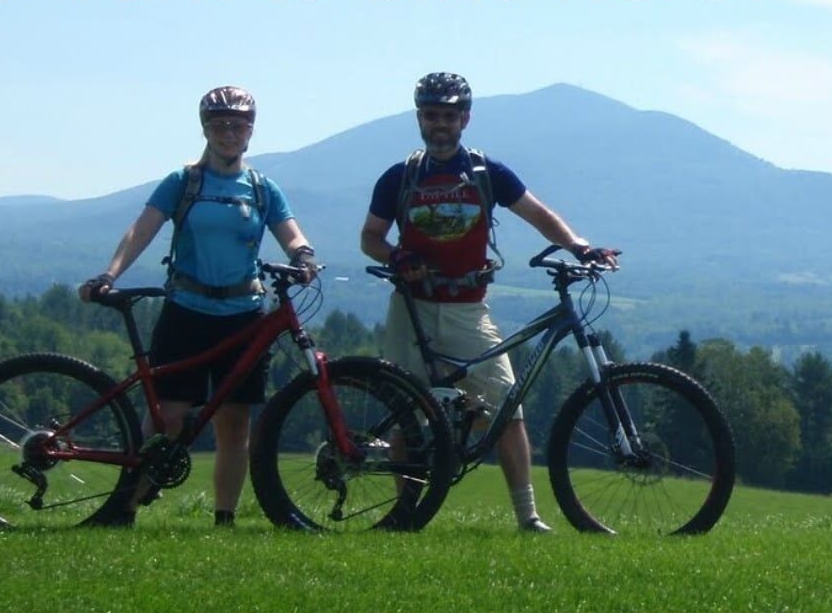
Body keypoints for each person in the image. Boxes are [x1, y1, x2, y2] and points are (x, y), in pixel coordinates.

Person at [360, 72, 615, 533]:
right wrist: (397, 255)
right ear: (420, 118)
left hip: (467, 305)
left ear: (465, 119)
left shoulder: (485, 172)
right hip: (411, 306)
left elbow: (539, 215)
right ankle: (405, 515)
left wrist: (579, 246)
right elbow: (370, 239)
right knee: (404, 413)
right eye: (432, 115)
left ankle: (528, 517)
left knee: (506, 406)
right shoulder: (400, 177)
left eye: (449, 116)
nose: (440, 124)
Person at [79, 85, 317, 527]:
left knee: (234, 424)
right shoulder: (184, 182)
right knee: (167, 417)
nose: (229, 133)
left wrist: (303, 255)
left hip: (243, 314)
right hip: (187, 310)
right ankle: (123, 510)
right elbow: (141, 230)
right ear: (205, 129)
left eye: (238, 125)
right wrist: (110, 275)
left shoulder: (262, 189)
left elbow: (291, 232)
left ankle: (224, 520)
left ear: (251, 131)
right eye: (220, 125)